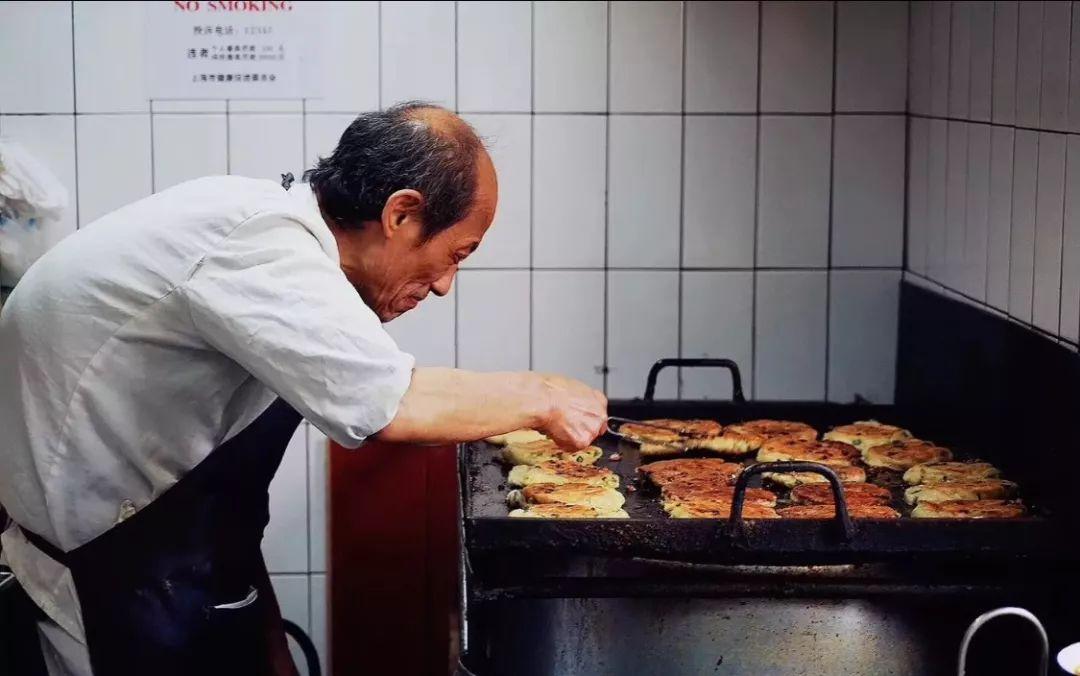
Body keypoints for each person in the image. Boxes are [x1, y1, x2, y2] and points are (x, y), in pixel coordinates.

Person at [0, 102, 607, 676]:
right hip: (103, 573)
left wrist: (269, 647)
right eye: (456, 254)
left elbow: (224, 493)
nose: (446, 284)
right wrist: (543, 395)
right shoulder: (262, 246)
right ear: (400, 214)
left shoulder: (282, 253)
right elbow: (392, 402)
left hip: (166, 559)